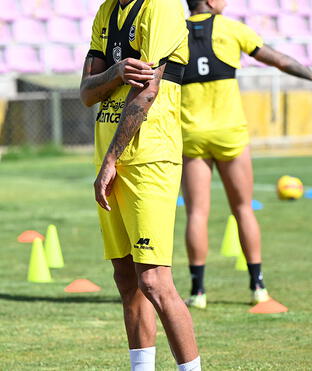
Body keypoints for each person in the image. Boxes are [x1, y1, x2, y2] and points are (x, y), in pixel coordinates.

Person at [181, 0, 312, 309]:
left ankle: (198, 292)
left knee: (196, 213)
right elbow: (278, 60)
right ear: (211, 1)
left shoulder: (175, 33)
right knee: (242, 208)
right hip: (230, 134)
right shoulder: (232, 29)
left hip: (191, 134)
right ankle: (258, 287)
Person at [80, 0, 201, 369]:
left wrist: (111, 160)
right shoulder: (106, 12)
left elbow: (148, 92)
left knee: (154, 281)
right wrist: (115, 72)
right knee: (125, 278)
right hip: (112, 160)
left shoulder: (160, 7)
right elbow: (86, 92)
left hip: (149, 158)